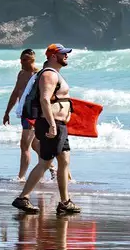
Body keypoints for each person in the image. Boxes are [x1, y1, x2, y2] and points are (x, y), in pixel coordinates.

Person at [13, 44, 80, 217]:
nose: (66, 56)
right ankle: (23, 197)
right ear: (52, 56)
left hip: (58, 124)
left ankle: (65, 202)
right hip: (52, 124)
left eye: (66, 54)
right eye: (62, 54)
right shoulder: (49, 74)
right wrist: (51, 124)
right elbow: (44, 99)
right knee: (44, 162)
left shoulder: (55, 73)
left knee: (64, 161)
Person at [2, 47, 39, 179]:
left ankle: (20, 178)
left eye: (25, 60)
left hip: (33, 114)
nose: (21, 62)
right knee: (35, 145)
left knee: (24, 145)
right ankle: (52, 168)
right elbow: (15, 93)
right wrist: (7, 112)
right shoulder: (21, 74)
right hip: (24, 112)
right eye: (21, 59)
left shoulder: (38, 74)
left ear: (32, 59)